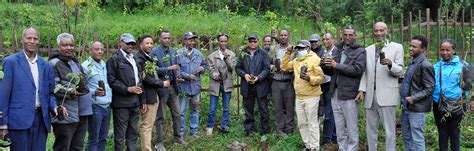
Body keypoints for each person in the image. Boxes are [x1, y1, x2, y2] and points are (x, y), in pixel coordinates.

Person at [0, 28, 59, 151]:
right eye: (29, 38)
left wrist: (54, 106)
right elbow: (3, 95)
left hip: (41, 120)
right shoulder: (10, 62)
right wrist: (3, 124)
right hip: (18, 120)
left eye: (35, 38)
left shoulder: (46, 65)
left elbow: (50, 93)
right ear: (22, 40)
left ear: (39, 41)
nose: (32, 41)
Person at [356, 22, 404, 151]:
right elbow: (366, 72)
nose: (378, 33)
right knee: (370, 130)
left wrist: (390, 64)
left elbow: (400, 70)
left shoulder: (397, 47)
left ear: (386, 31)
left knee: (389, 131)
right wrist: (362, 89)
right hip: (370, 96)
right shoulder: (368, 49)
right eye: (376, 31)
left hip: (387, 95)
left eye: (381, 30)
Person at [325, 25, 366, 151]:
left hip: (349, 94)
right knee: (340, 127)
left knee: (351, 127)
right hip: (335, 93)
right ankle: (342, 148)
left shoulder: (360, 51)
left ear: (355, 36)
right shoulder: (337, 49)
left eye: (350, 35)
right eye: (345, 34)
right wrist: (325, 65)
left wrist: (336, 65)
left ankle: (352, 149)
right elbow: (333, 71)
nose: (347, 37)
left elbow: (357, 70)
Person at [281, 40, 324, 150]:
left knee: (312, 123)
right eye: (299, 48)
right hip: (299, 96)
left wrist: (310, 79)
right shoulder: (296, 60)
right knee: (302, 123)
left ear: (308, 48)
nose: (300, 50)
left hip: (312, 96)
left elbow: (321, 78)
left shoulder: (315, 59)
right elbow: (284, 67)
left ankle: (315, 147)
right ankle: (308, 145)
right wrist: (287, 53)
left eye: (302, 48)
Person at [49, 33, 90, 151]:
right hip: (65, 114)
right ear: (58, 46)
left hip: (81, 112)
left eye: (71, 45)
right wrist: (71, 91)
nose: (69, 48)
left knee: (77, 146)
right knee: (63, 147)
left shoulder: (75, 62)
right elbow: (53, 87)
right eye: (65, 45)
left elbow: (83, 82)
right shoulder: (54, 64)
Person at [150, 30, 187, 150]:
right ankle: (159, 142)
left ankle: (178, 137)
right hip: (161, 87)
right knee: (160, 116)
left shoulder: (173, 51)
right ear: (160, 39)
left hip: (172, 87)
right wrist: (169, 68)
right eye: (165, 38)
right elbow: (153, 70)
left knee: (177, 114)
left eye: (169, 38)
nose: (167, 40)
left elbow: (176, 68)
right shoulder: (154, 52)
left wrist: (177, 76)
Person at [432, 39, 471, 151]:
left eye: (448, 50)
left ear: (454, 50)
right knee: (442, 134)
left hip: (457, 104)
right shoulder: (436, 66)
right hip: (439, 105)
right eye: (442, 50)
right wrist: (435, 99)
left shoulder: (463, 65)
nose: (444, 53)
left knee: (455, 133)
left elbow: (471, 83)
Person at [107, 33, 143, 151]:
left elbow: (140, 78)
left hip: (135, 102)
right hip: (121, 103)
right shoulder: (114, 59)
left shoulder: (135, 58)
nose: (130, 46)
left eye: (132, 43)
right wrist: (127, 89)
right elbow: (111, 80)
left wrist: (142, 100)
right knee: (120, 134)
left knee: (133, 131)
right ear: (120, 43)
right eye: (128, 43)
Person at [135, 35, 170, 151]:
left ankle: (147, 146)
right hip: (147, 96)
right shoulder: (140, 58)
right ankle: (146, 149)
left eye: (151, 43)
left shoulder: (147, 56)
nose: (150, 45)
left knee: (148, 124)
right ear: (141, 45)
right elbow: (144, 79)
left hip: (153, 95)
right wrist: (162, 83)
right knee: (147, 125)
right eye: (147, 43)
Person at [400, 35, 435, 151]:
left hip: (416, 108)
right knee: (406, 136)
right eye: (410, 46)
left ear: (423, 49)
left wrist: (414, 98)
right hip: (406, 107)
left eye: (414, 47)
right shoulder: (413, 62)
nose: (410, 48)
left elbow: (430, 88)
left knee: (417, 138)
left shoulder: (425, 65)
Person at [235, 34, 271, 136]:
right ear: (248, 42)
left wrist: (258, 77)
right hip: (247, 86)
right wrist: (244, 75)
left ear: (258, 42)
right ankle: (249, 130)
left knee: (263, 109)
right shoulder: (243, 53)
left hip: (260, 85)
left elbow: (266, 68)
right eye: (250, 41)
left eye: (254, 41)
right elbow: (238, 68)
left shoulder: (263, 53)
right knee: (248, 109)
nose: (252, 43)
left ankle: (265, 131)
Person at [82, 41, 112, 151]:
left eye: (101, 49)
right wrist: (94, 91)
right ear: (90, 51)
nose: (100, 51)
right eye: (96, 49)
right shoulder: (86, 66)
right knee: (94, 138)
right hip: (95, 106)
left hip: (107, 106)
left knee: (103, 138)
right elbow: (81, 88)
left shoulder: (104, 64)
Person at [176, 32, 206, 138]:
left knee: (195, 109)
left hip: (195, 87)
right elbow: (176, 70)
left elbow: (203, 64)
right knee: (181, 111)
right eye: (190, 40)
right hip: (183, 87)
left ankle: (194, 131)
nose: (192, 42)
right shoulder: (178, 54)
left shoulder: (198, 53)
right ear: (185, 41)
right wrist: (187, 76)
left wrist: (202, 68)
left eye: (193, 40)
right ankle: (180, 133)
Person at [206, 34, 236, 135]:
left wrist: (226, 58)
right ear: (218, 42)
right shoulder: (212, 56)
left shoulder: (231, 54)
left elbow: (232, 68)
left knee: (226, 108)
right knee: (212, 108)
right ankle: (210, 127)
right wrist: (216, 75)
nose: (223, 43)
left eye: (225, 41)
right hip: (216, 84)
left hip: (227, 83)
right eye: (221, 41)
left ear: (227, 42)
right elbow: (210, 69)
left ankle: (224, 126)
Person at [268, 29, 295, 138]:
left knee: (289, 107)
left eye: (285, 35)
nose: (283, 37)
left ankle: (289, 129)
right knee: (278, 107)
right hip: (276, 81)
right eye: (281, 35)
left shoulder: (294, 49)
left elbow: (298, 63)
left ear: (288, 36)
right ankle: (279, 130)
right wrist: (271, 67)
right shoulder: (273, 48)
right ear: (278, 36)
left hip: (289, 81)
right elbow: (267, 62)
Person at [320, 32, 338, 147]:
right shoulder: (324, 52)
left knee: (329, 113)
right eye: (324, 39)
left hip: (333, 85)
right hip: (324, 85)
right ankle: (333, 137)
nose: (325, 41)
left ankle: (327, 139)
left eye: (328, 39)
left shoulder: (337, 52)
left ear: (333, 39)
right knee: (330, 112)